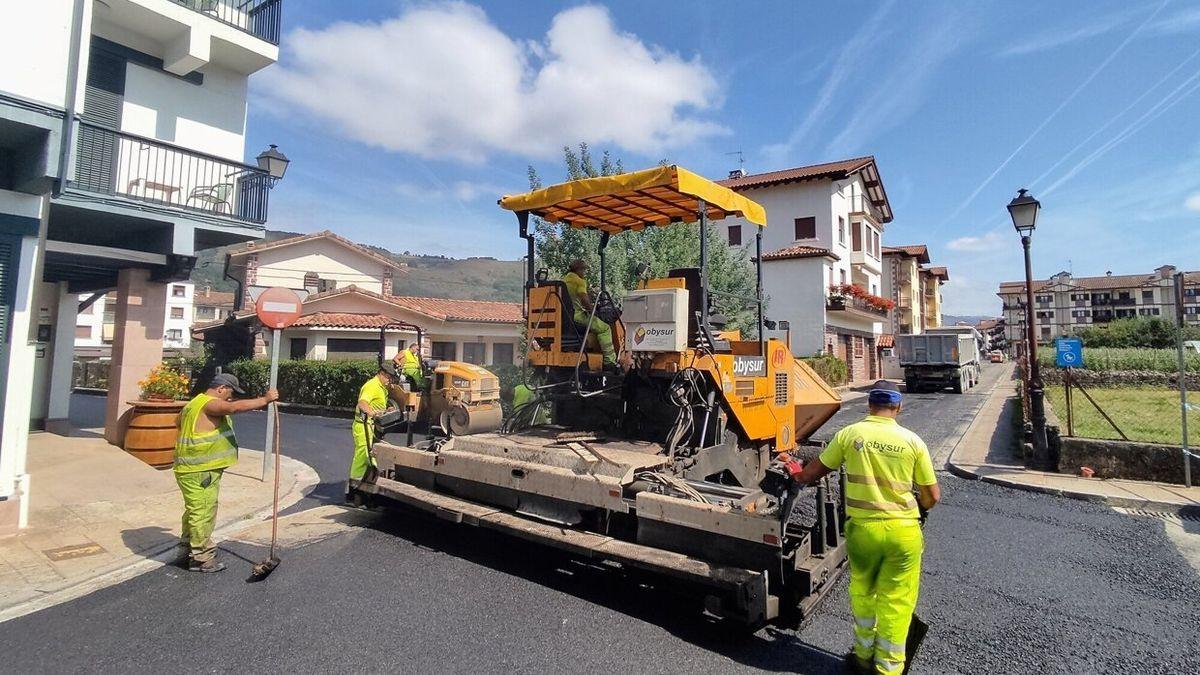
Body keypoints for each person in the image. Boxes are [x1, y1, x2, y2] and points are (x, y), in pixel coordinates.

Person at [778, 380, 940, 675]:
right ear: (898, 407)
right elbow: (932, 496)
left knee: (864, 594)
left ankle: (863, 656)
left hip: (863, 532)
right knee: (897, 600)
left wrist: (798, 475)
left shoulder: (851, 434)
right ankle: (889, 667)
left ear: (869, 405)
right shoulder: (913, 442)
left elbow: (815, 470)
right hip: (903, 534)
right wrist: (921, 508)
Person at [174, 373, 278, 573]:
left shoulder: (192, 404)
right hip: (201, 470)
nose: (230, 398)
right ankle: (201, 558)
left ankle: (187, 549)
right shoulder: (210, 404)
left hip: (189, 468)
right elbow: (233, 408)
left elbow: (177, 423)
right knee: (203, 511)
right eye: (230, 393)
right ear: (221, 388)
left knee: (194, 511)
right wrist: (265, 400)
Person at [562, 259, 617, 369]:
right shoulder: (579, 281)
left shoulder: (565, 280)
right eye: (583, 270)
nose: (584, 272)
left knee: (594, 327)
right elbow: (584, 299)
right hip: (576, 316)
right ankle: (609, 361)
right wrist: (593, 310)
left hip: (564, 317)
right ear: (578, 269)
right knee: (605, 328)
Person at [350, 363, 396, 484]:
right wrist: (373, 414)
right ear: (381, 374)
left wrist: (385, 410)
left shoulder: (381, 387)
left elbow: (374, 405)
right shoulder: (372, 385)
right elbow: (363, 403)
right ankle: (355, 482)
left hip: (371, 425)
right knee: (363, 454)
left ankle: (369, 478)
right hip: (363, 425)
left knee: (372, 452)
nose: (389, 381)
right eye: (388, 378)